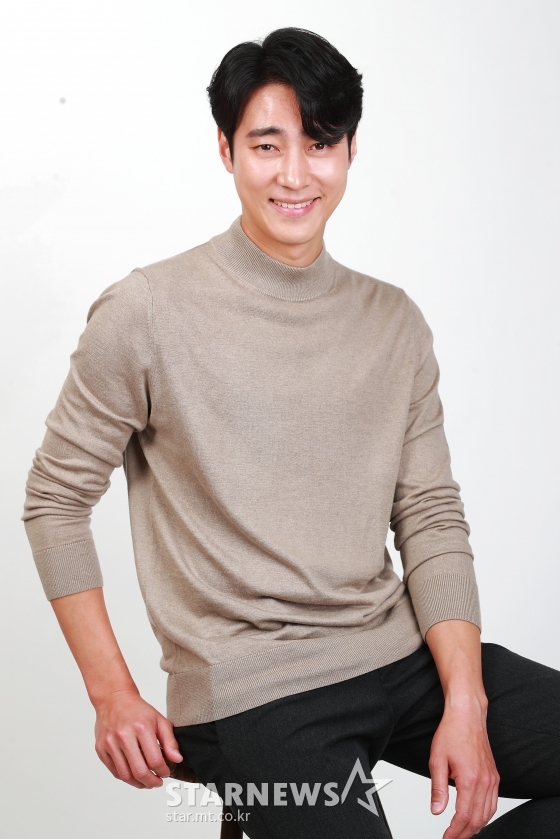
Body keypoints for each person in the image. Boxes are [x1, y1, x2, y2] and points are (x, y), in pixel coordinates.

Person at [23, 27, 559, 839]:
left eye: (320, 143)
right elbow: (55, 500)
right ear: (226, 150)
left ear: (350, 149)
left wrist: (467, 700)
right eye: (267, 145)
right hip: (252, 690)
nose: (296, 174)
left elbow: (430, 515)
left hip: (397, 653)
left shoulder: (393, 322)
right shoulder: (147, 311)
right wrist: (113, 694)